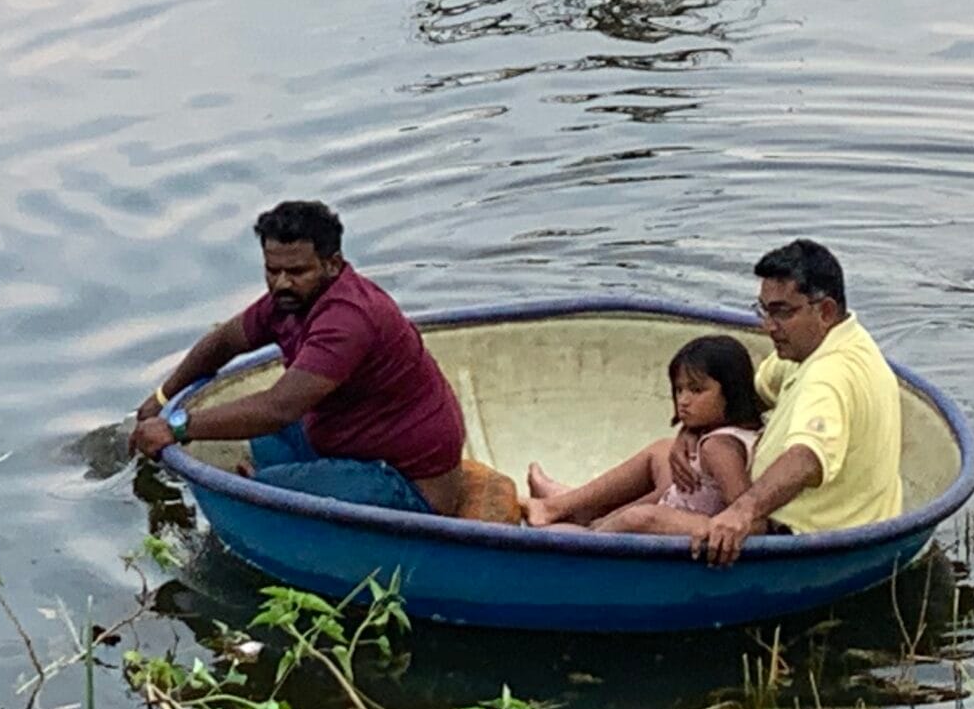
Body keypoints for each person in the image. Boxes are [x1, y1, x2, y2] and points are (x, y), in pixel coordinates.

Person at [129, 200, 468, 516]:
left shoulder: (348, 317)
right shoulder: (288, 302)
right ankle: (286, 479)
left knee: (261, 496)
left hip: (406, 482)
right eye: (272, 271)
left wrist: (177, 426)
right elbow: (224, 341)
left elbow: (279, 408)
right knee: (253, 428)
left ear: (332, 264)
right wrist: (162, 396)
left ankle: (277, 483)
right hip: (349, 441)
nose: (281, 284)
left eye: (296, 272)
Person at [690, 238, 902, 567]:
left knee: (643, 520)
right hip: (816, 516)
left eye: (781, 312)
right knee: (664, 453)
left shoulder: (830, 375)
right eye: (763, 310)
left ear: (826, 311)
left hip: (806, 539)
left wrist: (741, 512)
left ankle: (590, 537)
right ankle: (580, 513)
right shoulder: (807, 347)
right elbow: (751, 399)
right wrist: (692, 433)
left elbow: (806, 458)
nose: (768, 326)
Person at [518, 334, 764, 535]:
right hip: (679, 501)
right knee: (660, 451)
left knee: (636, 517)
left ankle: (587, 535)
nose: (683, 401)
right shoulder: (738, 429)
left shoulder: (718, 448)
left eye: (696, 390)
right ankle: (562, 507)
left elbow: (743, 512)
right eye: (679, 390)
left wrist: (712, 529)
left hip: (685, 523)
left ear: (732, 391)